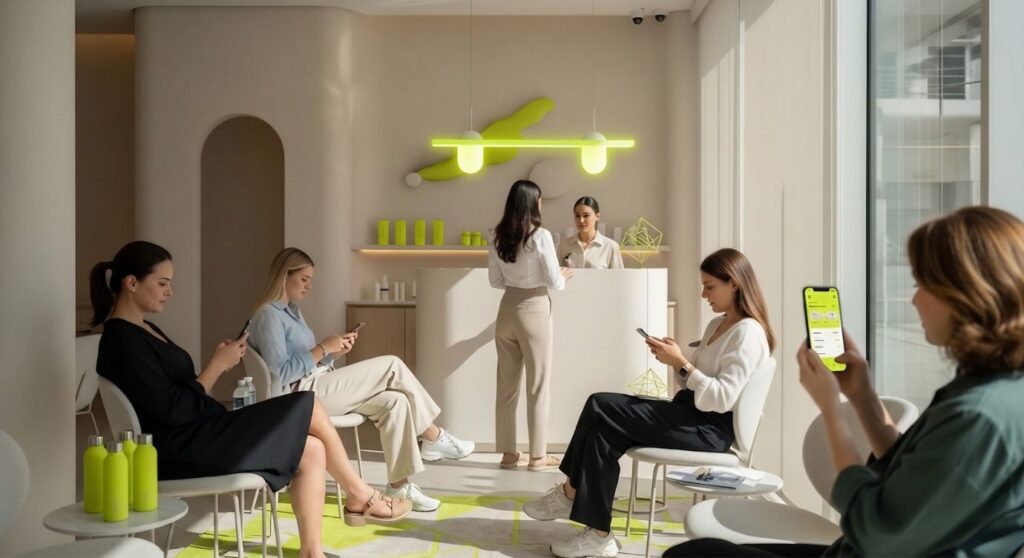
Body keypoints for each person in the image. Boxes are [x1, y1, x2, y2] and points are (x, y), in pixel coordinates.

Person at [666, 206, 1024, 557]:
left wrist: (830, 408)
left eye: (922, 285)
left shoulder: (980, 416)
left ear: (967, 294)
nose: (913, 299)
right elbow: (905, 467)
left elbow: (875, 531)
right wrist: (861, 394)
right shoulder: (985, 388)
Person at [91, 241, 410, 558]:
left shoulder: (145, 329)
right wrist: (217, 366)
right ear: (131, 283)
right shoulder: (121, 341)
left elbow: (179, 394)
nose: (169, 292)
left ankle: (312, 553)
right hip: (180, 448)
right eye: (162, 283)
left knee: (312, 449)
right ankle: (360, 495)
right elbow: (174, 411)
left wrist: (219, 362)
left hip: (201, 430)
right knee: (307, 403)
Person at [523, 248, 775, 558]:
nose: (703, 294)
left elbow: (722, 399)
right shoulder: (718, 326)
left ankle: (570, 491)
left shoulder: (748, 334)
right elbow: (692, 380)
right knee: (602, 435)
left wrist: (683, 363)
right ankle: (598, 534)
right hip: (689, 413)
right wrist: (676, 360)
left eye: (710, 286)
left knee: (598, 403)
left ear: (734, 283)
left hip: (710, 430)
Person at [247, 247, 474, 512]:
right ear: (285, 276)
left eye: (311, 279)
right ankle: (434, 437)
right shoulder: (268, 315)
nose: (309, 286)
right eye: (304, 279)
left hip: (317, 384)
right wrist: (322, 347)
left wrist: (332, 353)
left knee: (396, 401)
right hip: (300, 397)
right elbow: (281, 373)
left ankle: (400, 486)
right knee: (392, 364)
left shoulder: (292, 312)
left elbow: (308, 361)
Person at [489, 179, 573, 471]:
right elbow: (553, 280)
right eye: (539, 200)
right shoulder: (540, 236)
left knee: (506, 386)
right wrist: (564, 276)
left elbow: (494, 281)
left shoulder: (498, 236)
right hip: (534, 308)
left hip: (506, 311)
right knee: (538, 385)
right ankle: (538, 456)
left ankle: (508, 453)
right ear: (532, 203)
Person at [556, 196, 624, 269]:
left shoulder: (610, 247)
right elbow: (556, 276)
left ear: (597, 216)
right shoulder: (563, 245)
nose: (581, 220)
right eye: (577, 216)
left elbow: (618, 278)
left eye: (586, 215)